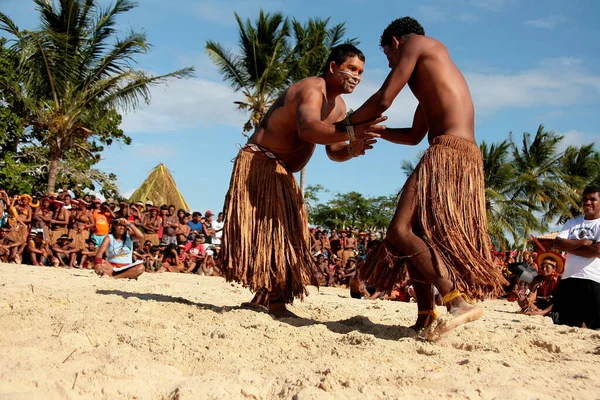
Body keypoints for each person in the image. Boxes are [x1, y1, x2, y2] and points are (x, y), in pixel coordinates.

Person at [355, 17, 506, 339]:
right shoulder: (435, 75)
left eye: (387, 57)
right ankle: (426, 314)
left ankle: (457, 301)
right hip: (463, 154)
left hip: (448, 151)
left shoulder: (416, 44)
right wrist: (376, 132)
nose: (391, 63)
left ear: (395, 42)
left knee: (399, 229)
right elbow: (412, 136)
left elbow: (383, 99)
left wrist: (346, 125)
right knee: (418, 234)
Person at [221, 44, 385, 317]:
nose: (356, 77)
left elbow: (334, 152)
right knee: (278, 234)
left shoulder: (339, 106)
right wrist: (353, 131)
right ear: (333, 67)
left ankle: (266, 295)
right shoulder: (311, 89)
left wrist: (352, 149)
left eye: (361, 72)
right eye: (351, 69)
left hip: (283, 172)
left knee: (292, 234)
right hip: (261, 163)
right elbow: (308, 128)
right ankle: (275, 301)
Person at [552, 186, 600, 329]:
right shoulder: (572, 223)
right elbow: (558, 243)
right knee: (563, 325)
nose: (587, 202)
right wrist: (584, 243)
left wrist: (570, 247)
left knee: (595, 328)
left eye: (593, 199)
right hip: (569, 280)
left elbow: (597, 251)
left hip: (593, 280)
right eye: (585, 199)